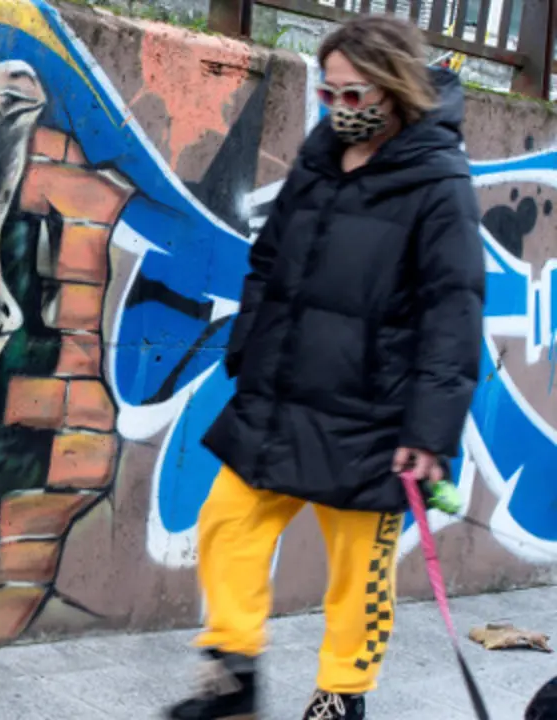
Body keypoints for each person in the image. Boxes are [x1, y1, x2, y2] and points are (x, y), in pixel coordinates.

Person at [165, 14, 484, 720]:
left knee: (358, 574)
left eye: (352, 96)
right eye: (327, 95)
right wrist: (250, 348)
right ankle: (234, 676)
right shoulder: (319, 157)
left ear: (395, 89)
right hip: (281, 393)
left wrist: (428, 433)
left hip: (376, 416)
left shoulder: (438, 183)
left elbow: (453, 312)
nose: (337, 110)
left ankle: (342, 695)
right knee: (227, 522)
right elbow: (271, 259)